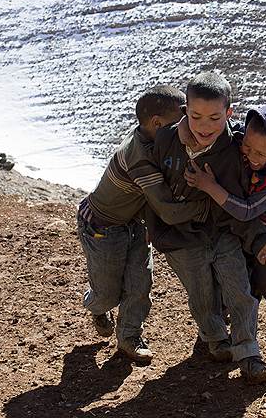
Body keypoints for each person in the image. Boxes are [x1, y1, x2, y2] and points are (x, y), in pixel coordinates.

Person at [148, 72, 266, 384]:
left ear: (229, 114)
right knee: (202, 293)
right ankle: (216, 338)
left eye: (215, 117)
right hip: (179, 237)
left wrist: (258, 239)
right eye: (196, 116)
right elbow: (149, 187)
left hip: (223, 232)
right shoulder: (165, 141)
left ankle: (249, 354)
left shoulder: (234, 150)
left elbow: (239, 201)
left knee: (239, 290)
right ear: (185, 112)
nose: (205, 126)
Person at [76, 85, 209, 364]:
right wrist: (211, 203)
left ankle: (129, 337)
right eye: (181, 119)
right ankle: (96, 306)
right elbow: (169, 211)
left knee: (140, 284)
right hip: (103, 227)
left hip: (135, 224)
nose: (189, 125)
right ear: (157, 123)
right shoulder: (140, 157)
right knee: (108, 293)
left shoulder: (154, 139)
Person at [183, 105, 266, 370]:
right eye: (248, 148)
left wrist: (210, 186)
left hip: (264, 232)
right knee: (230, 280)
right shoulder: (239, 138)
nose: (251, 156)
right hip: (229, 226)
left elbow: (248, 210)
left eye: (260, 154)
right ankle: (215, 335)